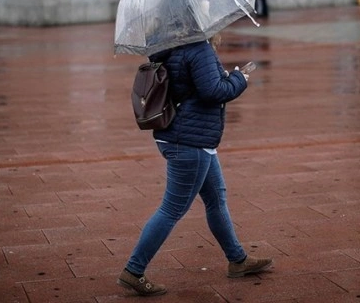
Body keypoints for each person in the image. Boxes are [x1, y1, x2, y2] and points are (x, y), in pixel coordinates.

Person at [117, 19, 273, 296]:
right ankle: (134, 270)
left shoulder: (169, 46)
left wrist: (222, 75)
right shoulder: (198, 47)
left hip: (181, 134)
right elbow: (213, 92)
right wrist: (240, 79)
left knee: (215, 199)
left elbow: (192, 86)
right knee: (172, 209)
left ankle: (237, 260)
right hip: (190, 140)